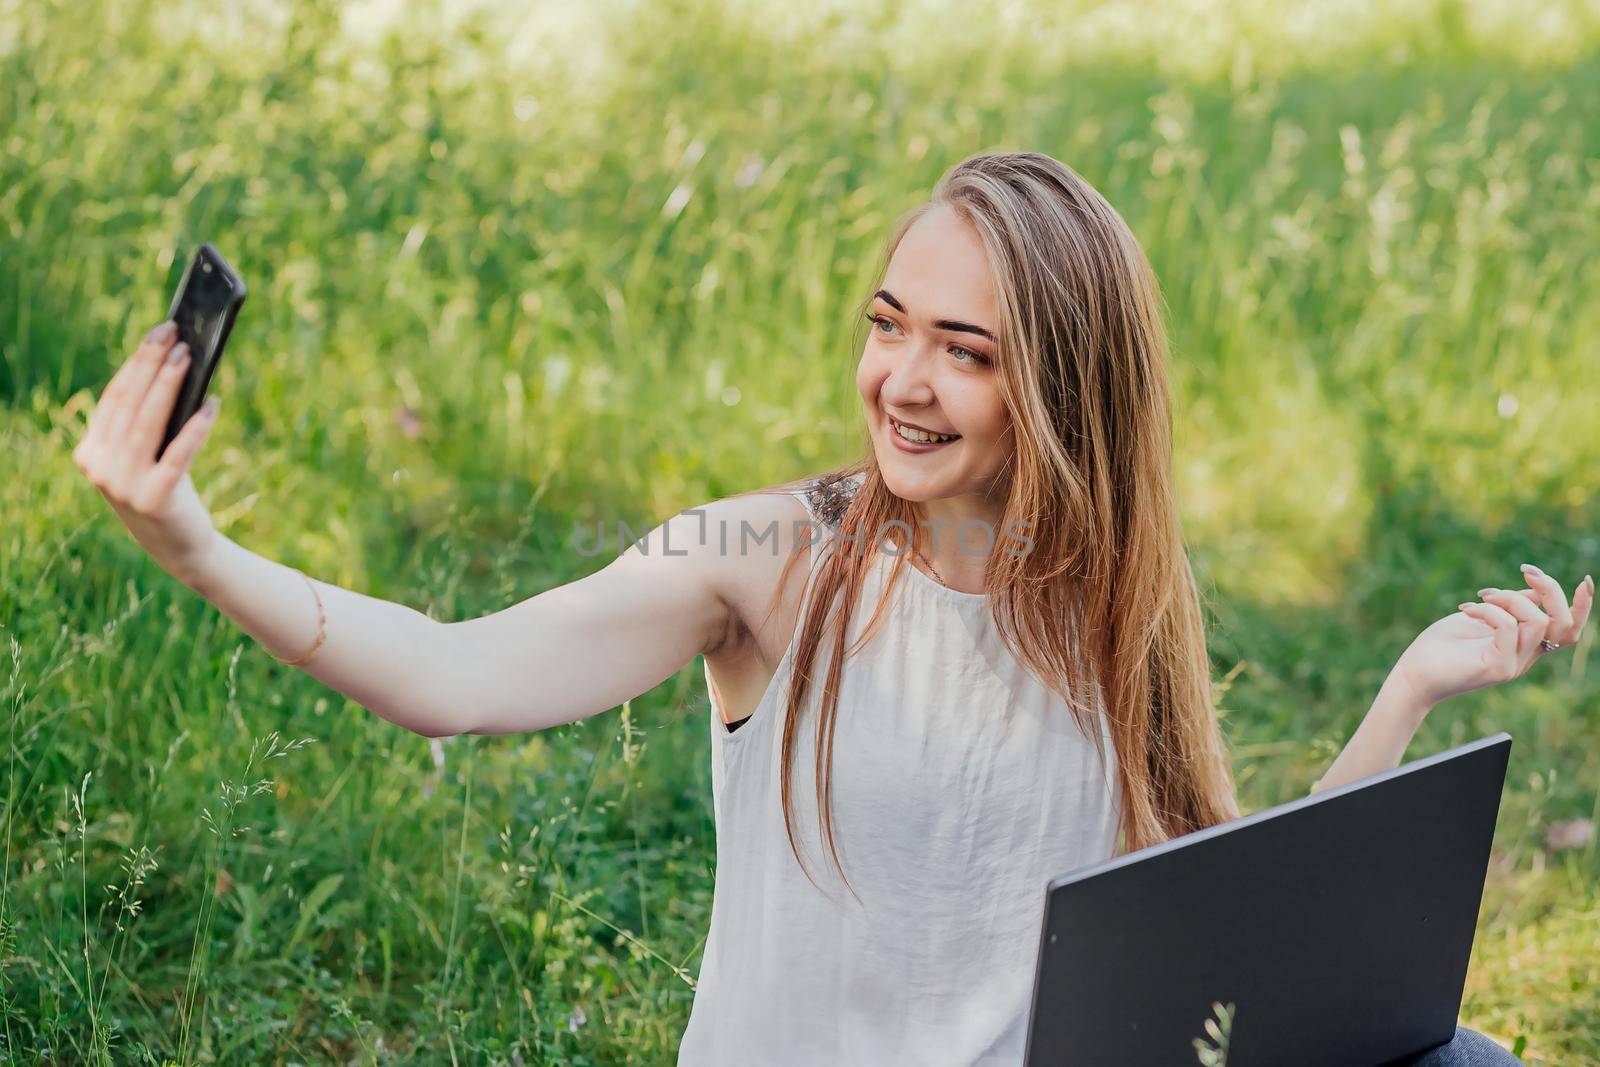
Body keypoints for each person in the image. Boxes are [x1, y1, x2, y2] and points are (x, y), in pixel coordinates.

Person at [71, 152, 1588, 1065]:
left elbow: (1215, 940)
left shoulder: (1118, 594)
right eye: (888, 326)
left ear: (1067, 386)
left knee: (1458, 1059)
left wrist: (1406, 694)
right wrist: (196, 544)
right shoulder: (767, 558)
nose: (903, 384)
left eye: (967, 351)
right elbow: (453, 673)